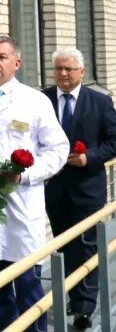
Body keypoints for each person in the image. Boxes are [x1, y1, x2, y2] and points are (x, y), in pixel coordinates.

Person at [0, 36, 68, 332]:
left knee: (29, 287)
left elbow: (58, 149)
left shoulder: (35, 100)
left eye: (0, 56)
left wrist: (24, 174)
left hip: (22, 207)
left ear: (17, 63)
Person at [43, 47, 116, 330]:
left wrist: (90, 157)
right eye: (58, 69)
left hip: (87, 188)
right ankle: (73, 295)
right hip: (54, 189)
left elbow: (113, 140)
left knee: (86, 246)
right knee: (64, 246)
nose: (62, 74)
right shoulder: (43, 100)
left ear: (82, 72)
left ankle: (85, 307)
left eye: (68, 69)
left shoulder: (99, 102)